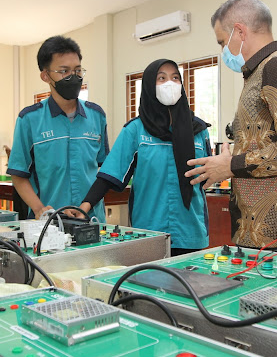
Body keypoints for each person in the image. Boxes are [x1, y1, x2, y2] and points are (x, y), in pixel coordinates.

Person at [185, 0, 277, 249]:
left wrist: (230, 165)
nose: (223, 50)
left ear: (239, 32)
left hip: (276, 240)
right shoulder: (258, 73)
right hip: (259, 233)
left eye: (222, 42)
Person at [73, 59, 211, 256]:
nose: (169, 84)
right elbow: (109, 175)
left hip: (191, 231)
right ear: (148, 86)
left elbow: (208, 176)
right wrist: (84, 207)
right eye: (161, 79)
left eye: (175, 78)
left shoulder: (199, 130)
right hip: (149, 232)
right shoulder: (135, 130)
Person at [7, 35, 109, 221]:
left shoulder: (97, 116)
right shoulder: (29, 119)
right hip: (49, 222)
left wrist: (86, 206)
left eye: (78, 70)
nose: (73, 76)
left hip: (92, 220)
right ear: (46, 76)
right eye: (64, 71)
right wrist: (39, 209)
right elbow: (18, 174)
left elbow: (103, 171)